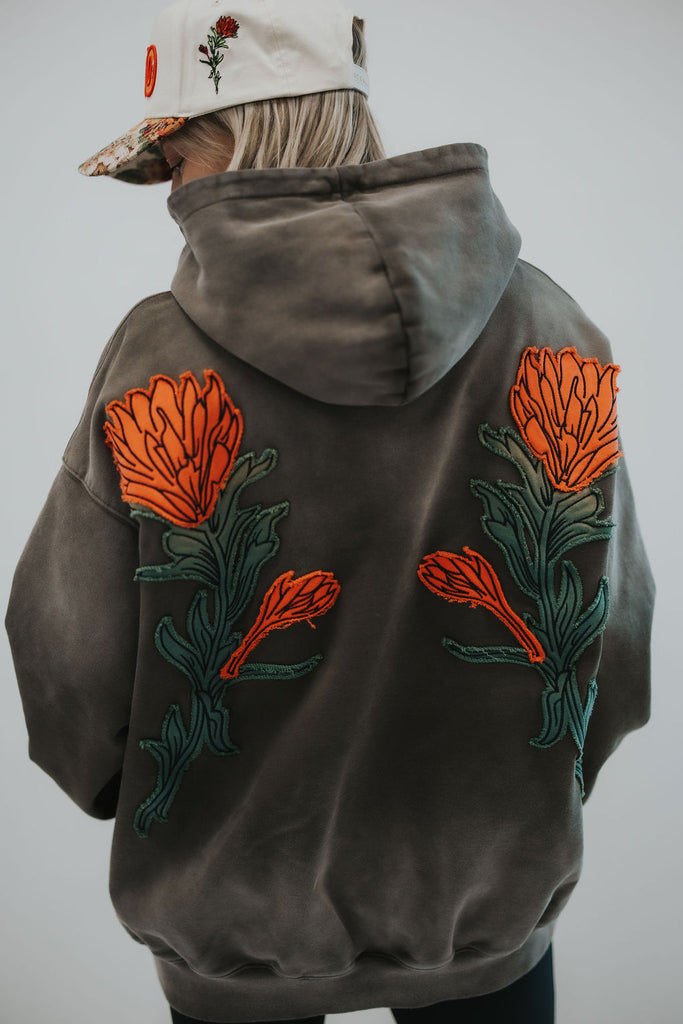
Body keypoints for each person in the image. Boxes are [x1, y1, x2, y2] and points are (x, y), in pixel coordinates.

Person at [4, 1, 655, 1023]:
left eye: (172, 157)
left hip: (233, 915)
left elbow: (67, 655)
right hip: (489, 903)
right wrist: (529, 794)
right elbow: (613, 632)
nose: (168, 190)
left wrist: (161, 796)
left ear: (238, 134)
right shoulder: (551, 325)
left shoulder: (157, 358)